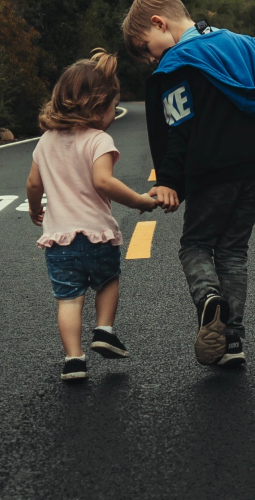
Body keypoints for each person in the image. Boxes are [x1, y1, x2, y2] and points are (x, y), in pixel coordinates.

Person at [124, 0, 255, 369]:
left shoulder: (178, 64)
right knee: (234, 251)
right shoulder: (247, 46)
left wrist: (169, 180)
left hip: (210, 170)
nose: (152, 58)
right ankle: (232, 339)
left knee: (195, 245)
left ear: (159, 22)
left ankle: (209, 298)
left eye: (147, 48)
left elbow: (180, 128)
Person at [26, 49, 162, 382]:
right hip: (97, 234)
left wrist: (35, 208)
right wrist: (140, 202)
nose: (115, 115)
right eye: (113, 108)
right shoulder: (99, 140)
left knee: (69, 300)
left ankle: (74, 359)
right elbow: (103, 181)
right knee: (108, 280)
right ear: (98, 107)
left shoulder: (45, 142)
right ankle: (104, 329)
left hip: (59, 240)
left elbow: (32, 183)